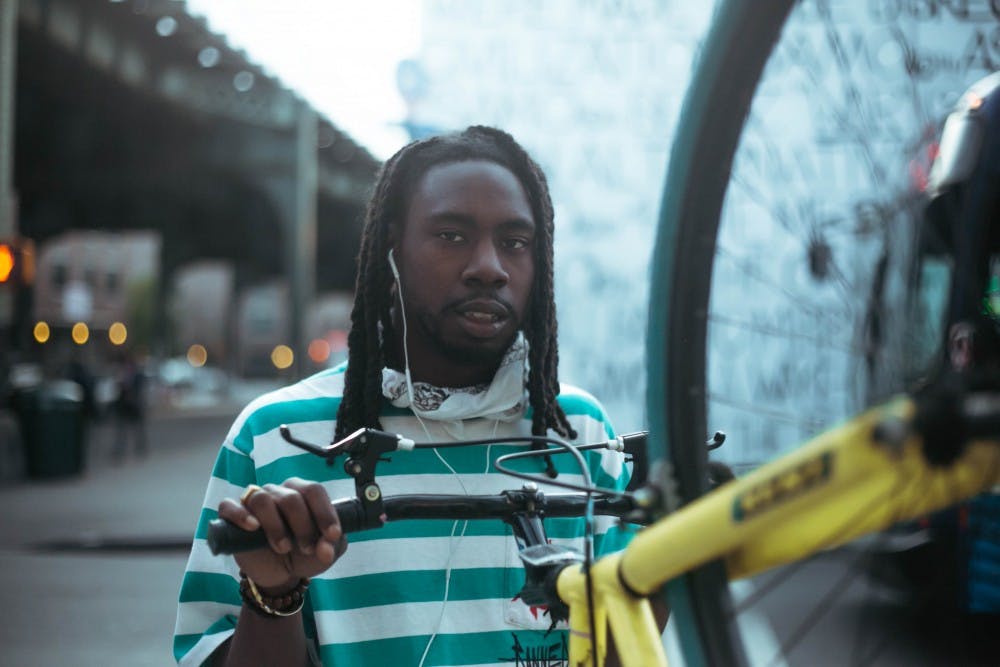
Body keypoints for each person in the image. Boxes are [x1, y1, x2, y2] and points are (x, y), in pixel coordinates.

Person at [174, 126, 634, 666]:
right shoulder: (277, 436)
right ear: (392, 250)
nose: (489, 266)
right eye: (452, 236)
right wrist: (274, 595)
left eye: (515, 242)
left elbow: (626, 648)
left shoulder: (578, 432)